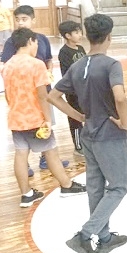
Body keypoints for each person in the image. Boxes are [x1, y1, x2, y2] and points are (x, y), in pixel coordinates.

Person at [48, 14, 127, 253]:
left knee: (96, 188)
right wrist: (125, 122)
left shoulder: (77, 65)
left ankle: (104, 238)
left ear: (86, 35)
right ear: (109, 37)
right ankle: (86, 235)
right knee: (118, 187)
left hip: (89, 135)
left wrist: (79, 116)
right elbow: (120, 97)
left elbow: (52, 96)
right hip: (110, 135)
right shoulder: (110, 65)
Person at [2, 27, 86, 209]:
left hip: (16, 118)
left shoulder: (7, 65)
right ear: (31, 41)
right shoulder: (36, 64)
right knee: (51, 153)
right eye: (36, 43)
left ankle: (26, 194)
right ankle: (67, 185)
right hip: (35, 119)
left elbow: (8, 95)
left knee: (20, 155)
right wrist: (47, 119)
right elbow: (42, 95)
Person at [1, 5, 66, 174]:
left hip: (43, 89)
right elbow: (8, 69)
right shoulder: (12, 42)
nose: (21, 23)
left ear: (33, 20)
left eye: (24, 19)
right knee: (29, 134)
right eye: (17, 19)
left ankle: (46, 159)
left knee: (46, 125)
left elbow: (49, 60)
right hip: (24, 97)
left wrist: (49, 71)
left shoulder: (42, 39)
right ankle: (28, 165)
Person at [58, 20, 87, 154]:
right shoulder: (64, 52)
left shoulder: (81, 49)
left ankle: (88, 141)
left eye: (80, 31)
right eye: (76, 32)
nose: (80, 34)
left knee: (87, 115)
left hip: (85, 89)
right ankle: (78, 146)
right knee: (75, 118)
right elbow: (67, 74)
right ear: (67, 35)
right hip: (73, 92)